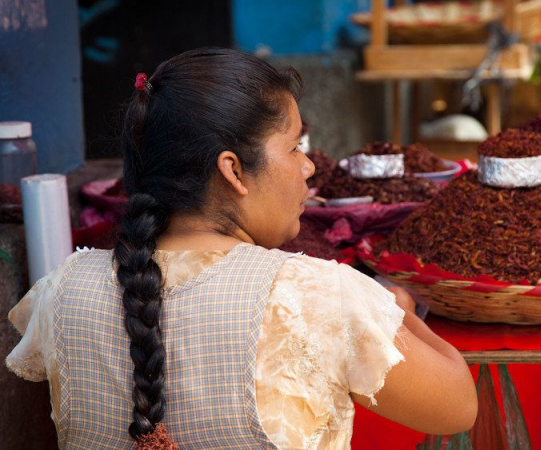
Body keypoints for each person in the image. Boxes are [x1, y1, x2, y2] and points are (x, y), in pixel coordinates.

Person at [6, 48, 477, 449]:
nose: (309, 167)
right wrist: (399, 311)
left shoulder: (60, 292)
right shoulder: (314, 295)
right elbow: (457, 407)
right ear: (233, 171)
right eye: (294, 147)